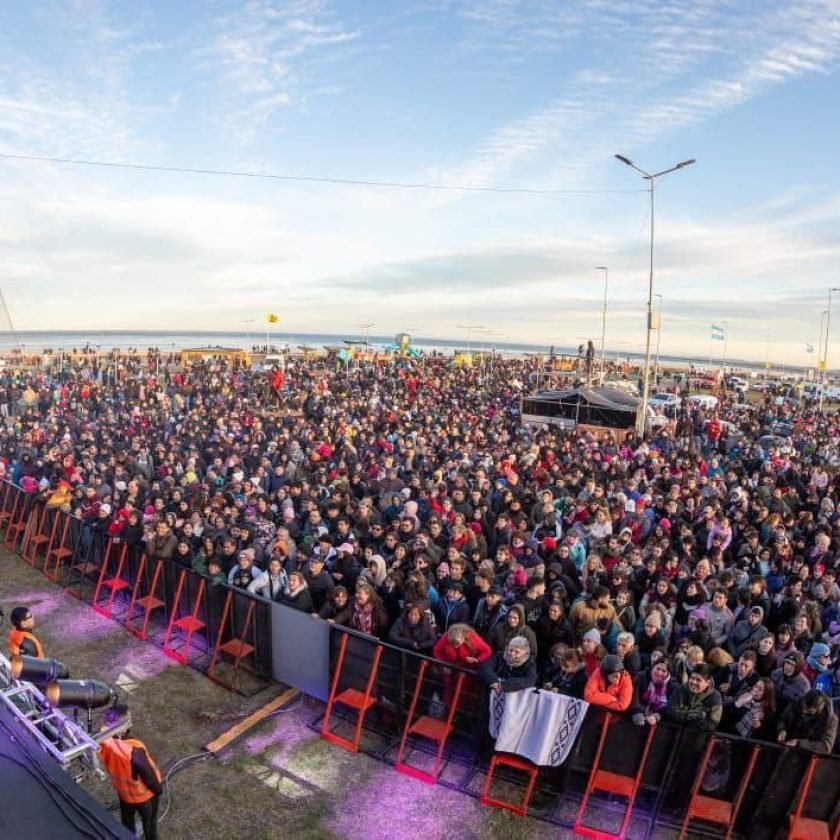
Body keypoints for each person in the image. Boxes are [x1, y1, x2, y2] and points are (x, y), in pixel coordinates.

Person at [98, 705, 163, 840]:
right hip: (145, 797)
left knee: (127, 820)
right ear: (123, 728)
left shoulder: (103, 741)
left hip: (124, 794)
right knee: (149, 823)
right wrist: (158, 790)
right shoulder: (134, 751)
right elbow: (147, 775)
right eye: (129, 720)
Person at [665, 664, 723, 732]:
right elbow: (670, 713)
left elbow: (712, 724)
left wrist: (684, 719)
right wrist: (691, 716)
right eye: (692, 678)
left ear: (708, 682)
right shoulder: (680, 690)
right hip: (673, 734)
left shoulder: (715, 697)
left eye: (698, 680)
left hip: (696, 738)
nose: (693, 682)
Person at [777, 689, 838, 753]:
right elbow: (783, 718)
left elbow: (825, 746)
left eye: (809, 711)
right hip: (786, 746)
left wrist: (800, 743)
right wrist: (782, 730)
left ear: (819, 709)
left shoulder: (830, 720)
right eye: (803, 707)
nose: (804, 711)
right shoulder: (796, 703)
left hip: (808, 754)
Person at [630, 658, 674, 726]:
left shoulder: (672, 686)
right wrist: (637, 712)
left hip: (657, 723)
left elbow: (670, 707)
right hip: (637, 716)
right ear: (653, 667)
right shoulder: (641, 677)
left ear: (668, 673)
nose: (659, 673)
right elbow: (634, 695)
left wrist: (657, 716)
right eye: (658, 669)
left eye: (663, 671)